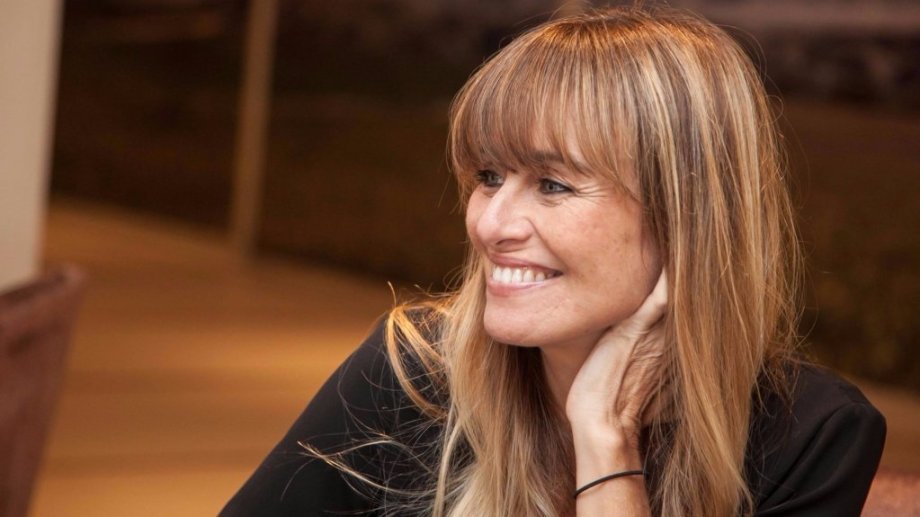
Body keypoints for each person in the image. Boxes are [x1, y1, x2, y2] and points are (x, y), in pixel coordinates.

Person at [221, 6, 886, 516]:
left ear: (686, 218)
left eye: (553, 184)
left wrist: (604, 437)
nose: (491, 224)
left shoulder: (812, 435)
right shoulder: (412, 375)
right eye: (488, 176)